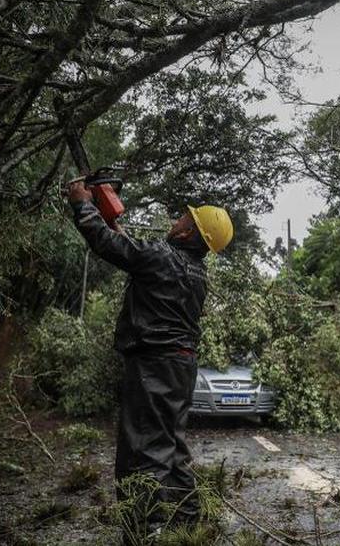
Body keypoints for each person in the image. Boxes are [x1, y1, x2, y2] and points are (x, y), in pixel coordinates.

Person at [65, 179, 233, 534]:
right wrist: (108, 211)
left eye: (183, 220)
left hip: (153, 366)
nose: (176, 221)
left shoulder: (161, 257)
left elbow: (109, 245)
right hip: (180, 366)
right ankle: (187, 529)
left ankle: (144, 533)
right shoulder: (196, 273)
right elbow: (131, 250)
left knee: (143, 453)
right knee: (171, 447)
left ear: (189, 234)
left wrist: (82, 203)